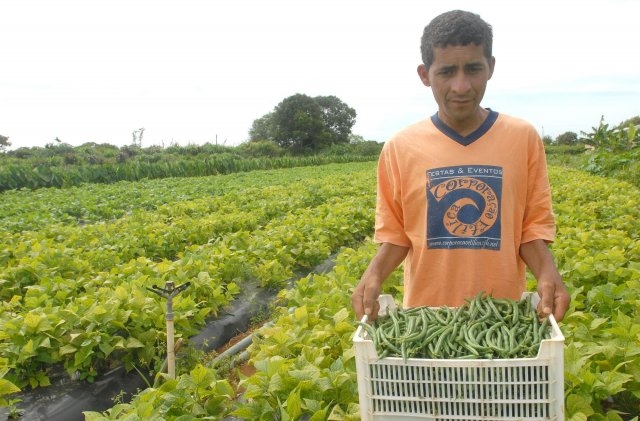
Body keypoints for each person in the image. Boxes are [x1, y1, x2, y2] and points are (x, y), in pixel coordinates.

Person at [351, 10, 570, 323]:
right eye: (446, 72)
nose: (461, 86)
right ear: (425, 74)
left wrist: (549, 274)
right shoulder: (400, 147)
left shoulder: (522, 138)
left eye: (473, 69)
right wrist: (372, 276)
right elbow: (397, 233)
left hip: (501, 316)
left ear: (491, 67)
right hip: (427, 319)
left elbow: (531, 228)